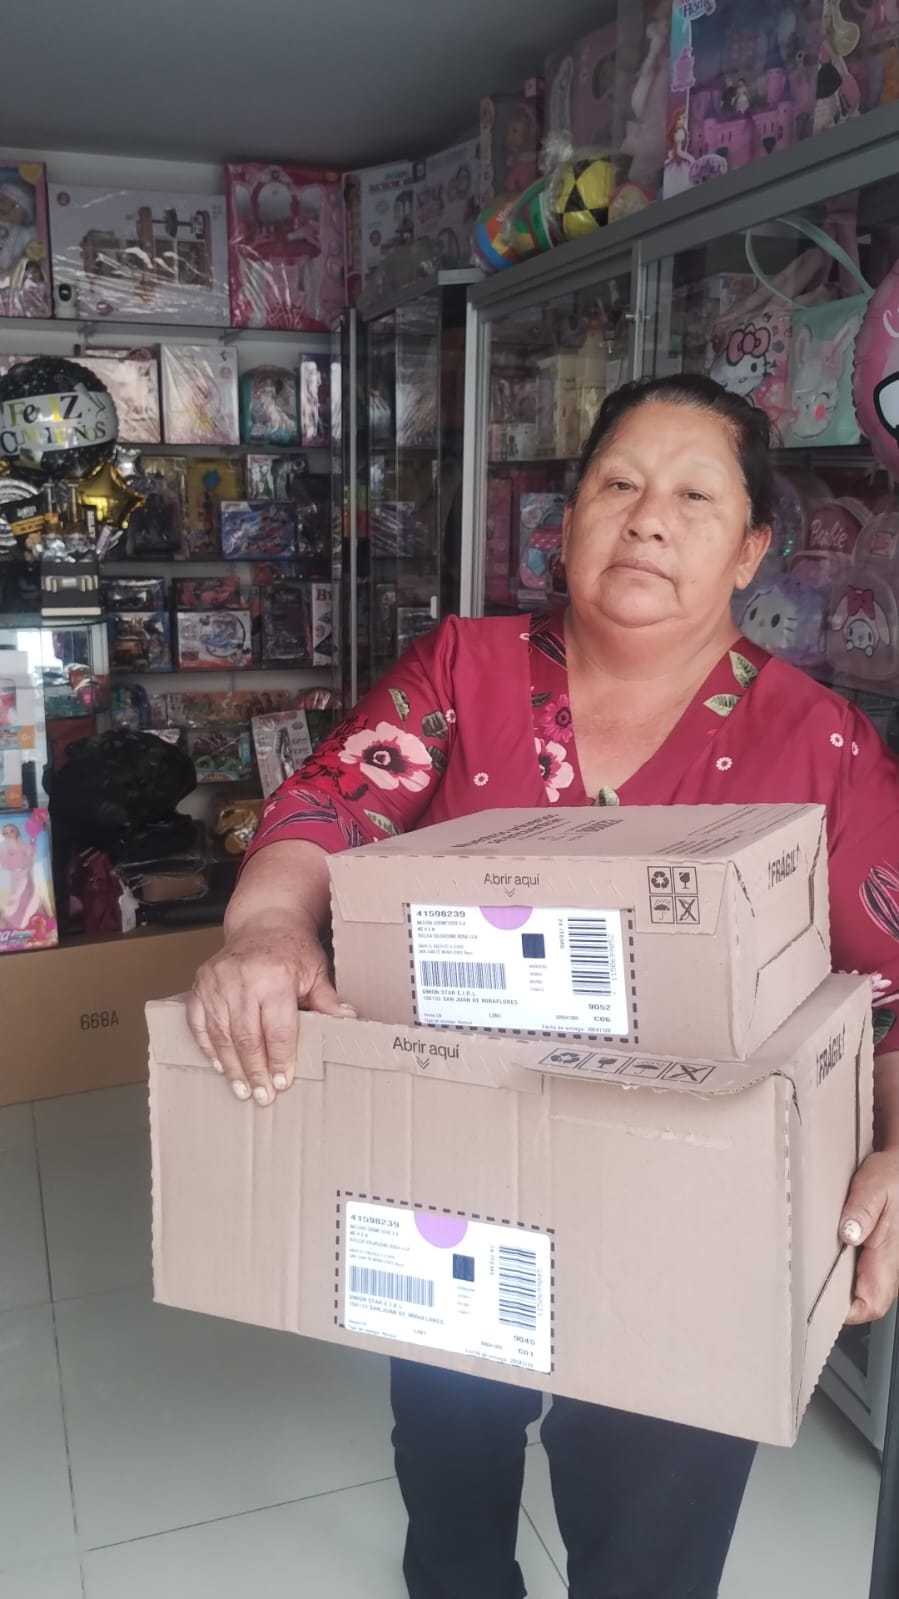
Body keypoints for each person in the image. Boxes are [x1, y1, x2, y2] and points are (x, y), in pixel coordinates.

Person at [189, 374, 899, 1599]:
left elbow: (884, 989)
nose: (647, 518)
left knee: (649, 1529)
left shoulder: (816, 742)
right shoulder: (463, 669)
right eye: (617, 484)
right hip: (453, 1167)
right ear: (565, 523)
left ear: (750, 551)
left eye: (694, 496)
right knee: (449, 1458)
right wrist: (263, 929)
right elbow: (332, 802)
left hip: (690, 1210)